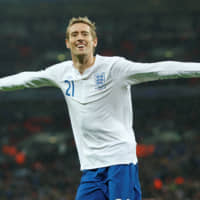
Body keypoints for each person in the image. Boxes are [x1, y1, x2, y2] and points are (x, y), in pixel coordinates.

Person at [1, 16, 200, 200]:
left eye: (85, 34)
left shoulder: (115, 68)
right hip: (91, 168)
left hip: (120, 162)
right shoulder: (60, 72)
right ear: (67, 43)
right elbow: (27, 79)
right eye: (74, 34)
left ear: (94, 41)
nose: (80, 38)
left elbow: (160, 70)